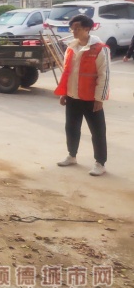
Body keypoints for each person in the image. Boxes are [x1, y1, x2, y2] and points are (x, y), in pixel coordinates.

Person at [54, 14, 110, 176]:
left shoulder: (100, 49)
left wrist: (100, 98)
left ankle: (100, 163)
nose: (74, 31)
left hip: (91, 99)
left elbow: (104, 76)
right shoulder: (72, 47)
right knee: (71, 128)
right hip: (73, 96)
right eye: (72, 28)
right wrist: (64, 93)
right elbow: (67, 73)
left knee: (97, 131)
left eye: (77, 28)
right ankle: (72, 155)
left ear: (87, 28)